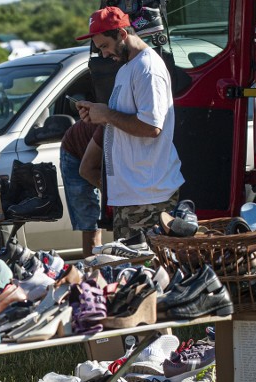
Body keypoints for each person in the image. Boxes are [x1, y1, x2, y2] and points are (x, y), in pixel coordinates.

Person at [75, 6, 184, 240]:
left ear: (122, 35)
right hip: (135, 194)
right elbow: (122, 121)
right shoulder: (127, 68)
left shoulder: (147, 68)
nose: (103, 55)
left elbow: (152, 127)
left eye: (104, 46)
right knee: (131, 271)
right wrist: (96, 114)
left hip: (148, 196)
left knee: (145, 271)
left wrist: (106, 115)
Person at [60, 120, 103, 256]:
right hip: (75, 153)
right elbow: (86, 170)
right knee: (91, 220)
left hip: (100, 154)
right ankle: (95, 272)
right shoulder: (108, 130)